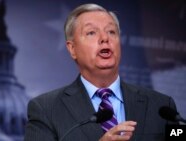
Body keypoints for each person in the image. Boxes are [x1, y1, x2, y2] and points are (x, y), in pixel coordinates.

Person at [24, 3, 177, 141]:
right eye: (91, 33)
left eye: (111, 31)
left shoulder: (162, 106)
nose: (105, 38)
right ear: (72, 49)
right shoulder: (46, 110)